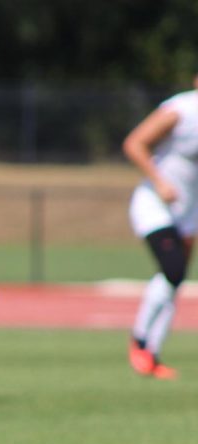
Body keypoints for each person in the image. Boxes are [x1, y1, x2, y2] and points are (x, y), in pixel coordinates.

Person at [122, 73, 198, 380]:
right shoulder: (181, 110)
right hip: (155, 205)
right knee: (173, 269)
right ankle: (140, 340)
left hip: (188, 211)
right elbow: (134, 143)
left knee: (173, 280)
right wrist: (160, 182)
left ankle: (150, 354)